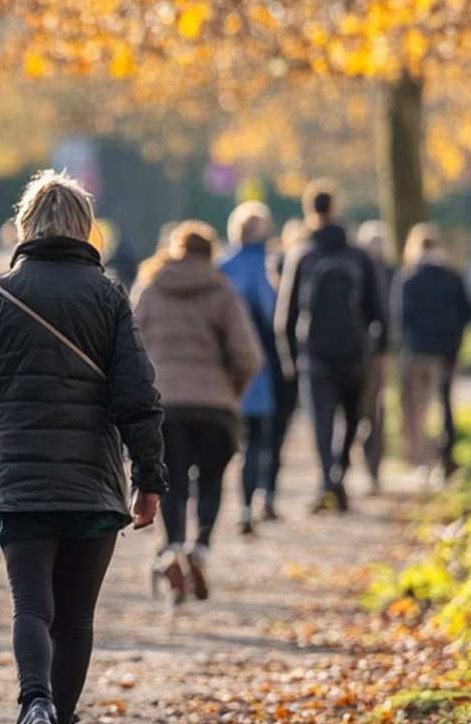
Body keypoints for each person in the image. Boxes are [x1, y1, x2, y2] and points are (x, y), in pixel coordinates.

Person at [0, 170, 165, 724]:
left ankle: (34, 707)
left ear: (27, 224)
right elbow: (137, 394)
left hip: (17, 479)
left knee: (32, 607)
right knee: (75, 620)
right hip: (92, 479)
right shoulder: (109, 296)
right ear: (84, 228)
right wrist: (149, 477)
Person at [132, 222, 261, 602]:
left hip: (164, 405)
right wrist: (229, 395)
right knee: (211, 479)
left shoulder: (151, 289)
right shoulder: (223, 292)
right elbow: (249, 356)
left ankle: (171, 548)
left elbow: (129, 348)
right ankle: (200, 547)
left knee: (170, 481)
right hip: (215, 407)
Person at [276, 182, 387, 513]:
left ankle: (327, 479)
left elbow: (286, 315)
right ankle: (340, 471)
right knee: (352, 419)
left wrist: (291, 361)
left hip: (315, 355)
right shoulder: (358, 256)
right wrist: (379, 351)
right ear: (335, 208)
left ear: (310, 211)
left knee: (321, 421)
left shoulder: (302, 255)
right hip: (355, 354)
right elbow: (378, 311)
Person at [219, 202, 288, 532]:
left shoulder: (221, 266)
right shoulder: (269, 265)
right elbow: (276, 314)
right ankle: (257, 500)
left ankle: (219, 503)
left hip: (223, 366)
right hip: (264, 363)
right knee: (262, 439)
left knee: (228, 438)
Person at [390, 224, 471, 482]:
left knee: (417, 408)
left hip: (418, 350)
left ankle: (420, 460)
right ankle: (445, 458)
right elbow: (467, 311)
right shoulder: (452, 276)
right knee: (445, 405)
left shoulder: (408, 277)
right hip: (447, 350)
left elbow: (400, 316)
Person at [354, 220, 395, 496]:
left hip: (376, 353)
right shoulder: (354, 268)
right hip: (353, 351)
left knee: (375, 411)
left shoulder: (392, 273)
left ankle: (373, 465)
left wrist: (386, 349)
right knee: (357, 409)